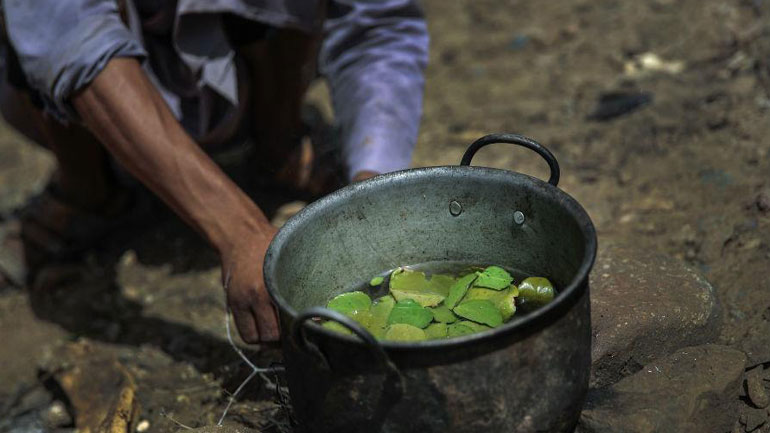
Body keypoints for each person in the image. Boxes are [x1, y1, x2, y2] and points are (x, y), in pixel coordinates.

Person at [0, 0, 429, 343]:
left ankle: (276, 146)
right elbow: (71, 44)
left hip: (245, 71)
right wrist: (239, 232)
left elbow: (379, 27)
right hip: (107, 100)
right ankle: (89, 190)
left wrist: (373, 188)